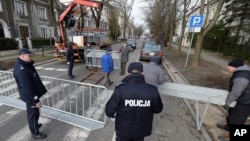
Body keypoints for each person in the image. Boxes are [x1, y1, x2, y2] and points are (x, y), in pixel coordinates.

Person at [105, 62, 163, 141]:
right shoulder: (152, 90)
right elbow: (158, 109)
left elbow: (109, 111)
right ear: (142, 73)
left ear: (127, 73)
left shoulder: (121, 89)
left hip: (123, 131)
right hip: (140, 132)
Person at [13, 48, 47, 139]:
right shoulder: (22, 70)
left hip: (31, 95)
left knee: (35, 113)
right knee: (33, 114)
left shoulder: (25, 65)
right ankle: (35, 132)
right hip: (30, 97)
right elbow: (27, 88)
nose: (31, 57)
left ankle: (34, 125)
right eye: (29, 56)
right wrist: (36, 99)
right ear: (22, 56)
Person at [217, 58, 250, 141]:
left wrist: (227, 102)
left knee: (237, 120)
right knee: (231, 114)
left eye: (229, 66)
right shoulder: (240, 72)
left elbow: (236, 92)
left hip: (246, 101)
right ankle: (228, 127)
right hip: (241, 98)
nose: (227, 68)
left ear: (235, 67)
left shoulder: (242, 77)